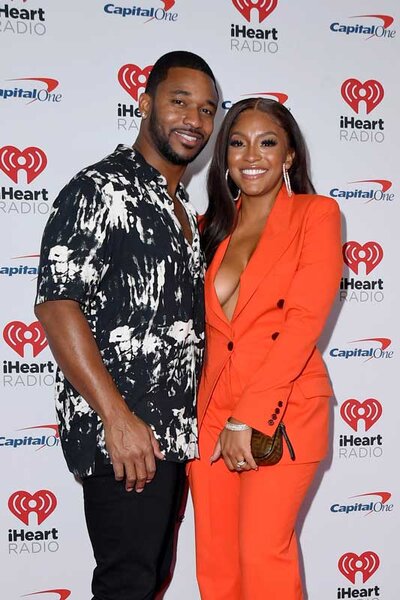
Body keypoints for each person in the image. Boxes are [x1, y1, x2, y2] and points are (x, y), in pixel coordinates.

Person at [34, 50, 218, 600]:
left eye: (207, 110)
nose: (194, 120)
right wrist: (117, 419)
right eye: (179, 101)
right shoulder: (101, 188)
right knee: (127, 585)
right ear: (145, 104)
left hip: (171, 438)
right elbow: (56, 303)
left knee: (145, 582)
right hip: (125, 438)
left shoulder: (182, 206)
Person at [188, 97, 342, 599]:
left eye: (267, 142)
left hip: (282, 410)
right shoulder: (211, 225)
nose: (251, 154)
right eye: (237, 142)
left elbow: (302, 324)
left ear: (290, 156)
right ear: (223, 154)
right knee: (217, 567)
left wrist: (248, 418)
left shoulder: (316, 215)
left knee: (262, 560)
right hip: (210, 415)